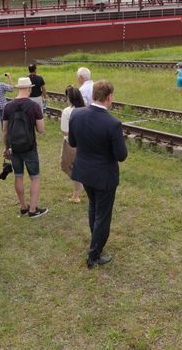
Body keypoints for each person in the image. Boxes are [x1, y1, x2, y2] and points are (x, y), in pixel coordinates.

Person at [70, 80, 127, 269]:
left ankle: (95, 243)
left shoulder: (76, 114)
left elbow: (72, 142)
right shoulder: (112, 123)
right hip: (104, 176)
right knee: (102, 214)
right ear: (109, 97)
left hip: (85, 171)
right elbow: (121, 155)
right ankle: (94, 254)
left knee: (94, 208)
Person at [2, 76, 47, 218]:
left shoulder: (8, 106)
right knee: (35, 177)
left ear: (18, 88)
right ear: (29, 88)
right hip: (29, 147)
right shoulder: (34, 106)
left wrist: (6, 148)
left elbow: (5, 130)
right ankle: (33, 210)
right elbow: (41, 130)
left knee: (18, 176)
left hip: (14, 148)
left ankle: (23, 206)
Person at [60, 86, 87, 203]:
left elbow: (65, 131)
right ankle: (78, 190)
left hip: (71, 143)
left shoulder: (67, 111)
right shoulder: (86, 109)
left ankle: (79, 189)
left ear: (69, 98)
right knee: (80, 167)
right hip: (85, 142)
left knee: (67, 166)